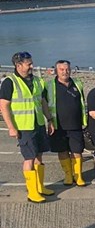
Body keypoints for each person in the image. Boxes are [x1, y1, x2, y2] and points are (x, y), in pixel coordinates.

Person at [0, 52, 55, 202]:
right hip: (23, 126)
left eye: (31, 63)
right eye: (28, 64)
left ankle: (39, 187)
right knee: (29, 157)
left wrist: (49, 120)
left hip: (38, 123)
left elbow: (42, 101)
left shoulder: (37, 81)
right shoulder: (9, 82)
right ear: (18, 65)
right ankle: (32, 192)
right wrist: (11, 127)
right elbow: (4, 106)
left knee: (39, 155)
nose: (32, 66)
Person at [46, 59, 87, 187]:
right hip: (58, 125)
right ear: (56, 71)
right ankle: (68, 175)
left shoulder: (78, 83)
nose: (65, 72)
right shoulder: (49, 85)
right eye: (62, 69)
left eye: (67, 69)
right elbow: (44, 104)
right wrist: (49, 121)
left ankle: (78, 175)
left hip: (75, 125)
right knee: (62, 150)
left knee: (77, 151)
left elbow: (82, 102)